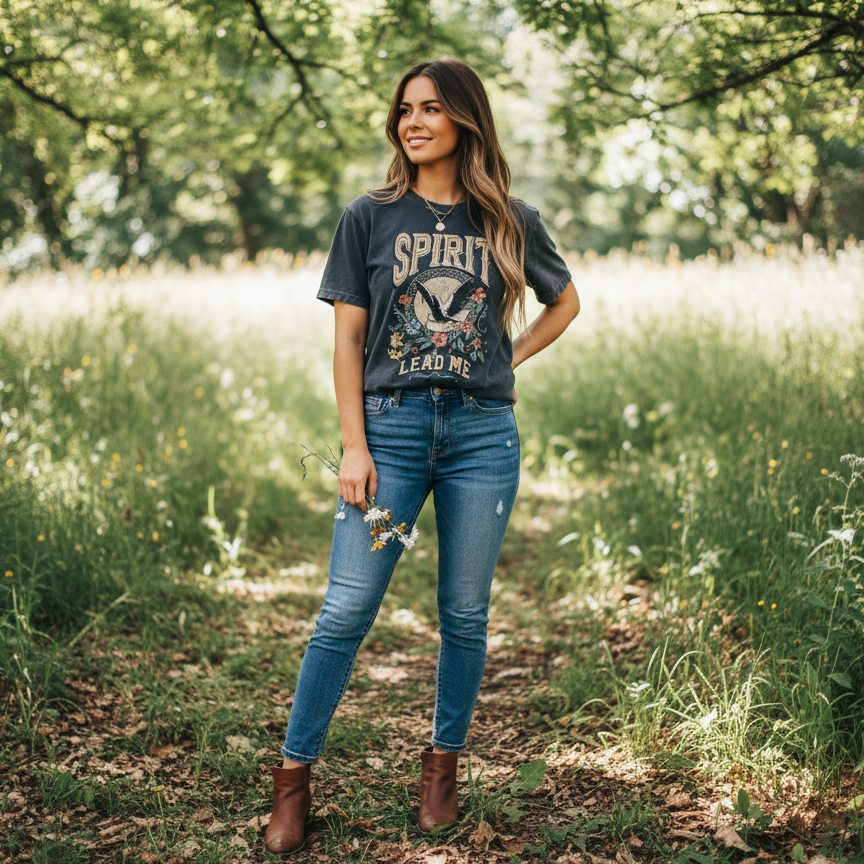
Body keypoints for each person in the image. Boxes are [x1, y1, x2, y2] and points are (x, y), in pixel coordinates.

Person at [265, 58, 580, 855]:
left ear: (465, 121)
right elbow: (345, 338)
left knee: (464, 614)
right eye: (405, 109)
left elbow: (565, 300)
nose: (414, 122)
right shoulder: (368, 217)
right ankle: (293, 784)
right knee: (345, 609)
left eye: (432, 109)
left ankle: (441, 771)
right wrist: (352, 444)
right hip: (392, 435)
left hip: (482, 437)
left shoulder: (508, 217)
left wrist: (508, 359)